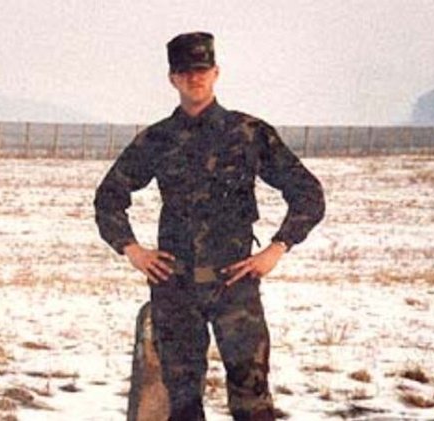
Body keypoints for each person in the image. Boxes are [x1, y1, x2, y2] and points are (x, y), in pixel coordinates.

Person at [94, 32, 325, 420]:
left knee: (252, 399)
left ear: (216, 73)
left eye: (201, 70)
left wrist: (276, 249)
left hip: (234, 283)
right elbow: (108, 199)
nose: (194, 78)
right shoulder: (157, 139)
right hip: (175, 286)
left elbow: (308, 193)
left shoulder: (249, 133)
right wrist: (132, 250)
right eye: (184, 71)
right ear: (173, 79)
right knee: (182, 402)